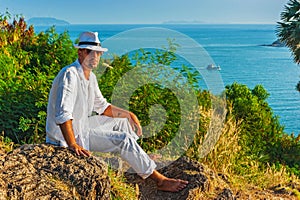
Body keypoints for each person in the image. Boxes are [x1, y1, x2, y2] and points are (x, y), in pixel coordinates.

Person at [45, 31, 188, 192]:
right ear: (80, 52)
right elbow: (63, 113)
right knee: (123, 139)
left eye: (97, 53)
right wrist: (72, 144)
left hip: (81, 127)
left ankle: (137, 157)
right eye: (89, 52)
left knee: (122, 121)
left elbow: (103, 107)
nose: (94, 56)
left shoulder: (90, 77)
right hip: (64, 138)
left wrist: (129, 114)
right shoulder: (70, 74)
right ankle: (159, 180)